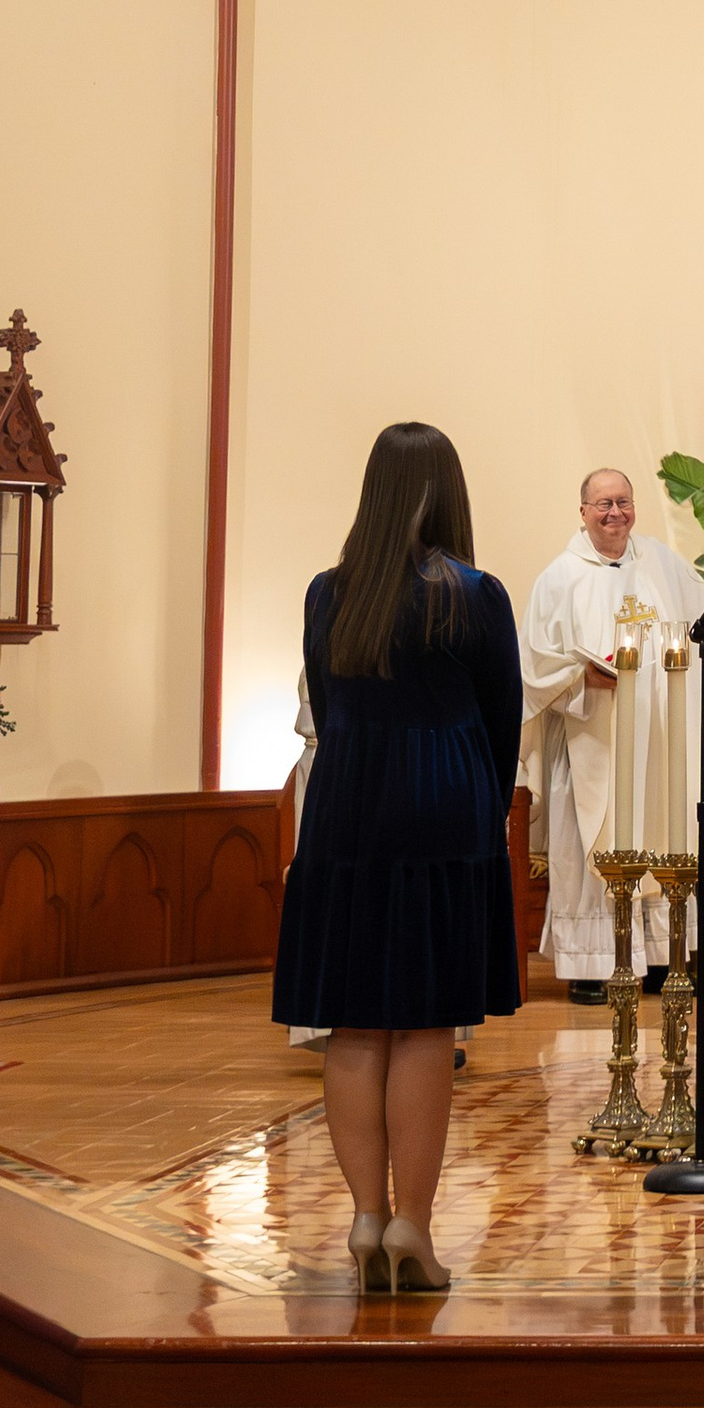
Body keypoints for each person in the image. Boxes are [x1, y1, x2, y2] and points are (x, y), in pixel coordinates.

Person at [269, 420, 523, 1297]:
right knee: (423, 1021)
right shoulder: (475, 595)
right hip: (447, 806)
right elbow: (503, 720)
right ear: (448, 492)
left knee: (352, 1018)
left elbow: (327, 703)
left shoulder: (325, 595)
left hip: (346, 808)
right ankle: (413, 1221)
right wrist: (485, 811)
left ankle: (367, 1217)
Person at [519, 467, 704, 1001]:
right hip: (591, 737)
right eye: (602, 504)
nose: (614, 513)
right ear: (582, 512)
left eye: (623, 502)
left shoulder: (662, 564)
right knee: (591, 842)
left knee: (661, 833)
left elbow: (702, 622)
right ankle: (592, 963)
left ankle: (661, 960)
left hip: (658, 736)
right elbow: (533, 666)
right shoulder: (559, 577)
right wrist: (580, 675)